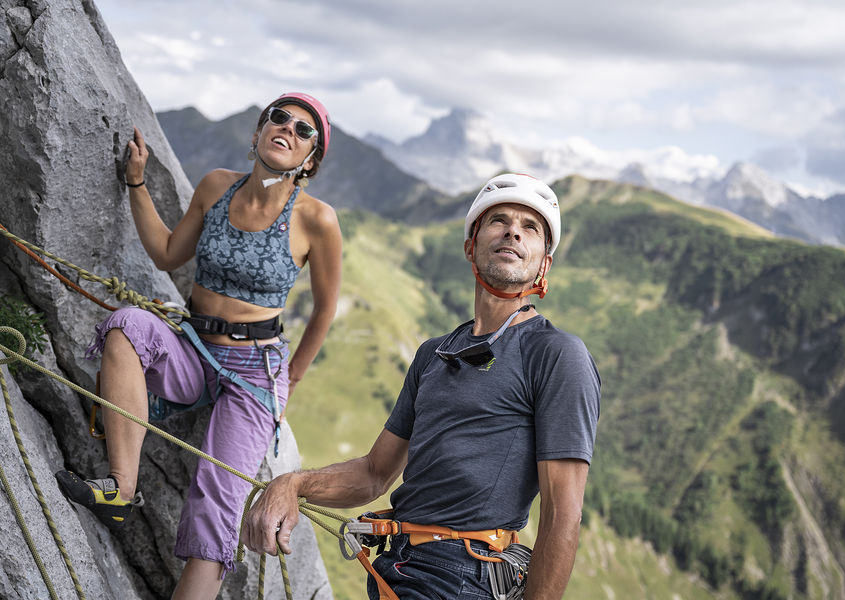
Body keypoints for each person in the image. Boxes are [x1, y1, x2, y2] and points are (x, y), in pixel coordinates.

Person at [241, 173, 601, 600]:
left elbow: (563, 514)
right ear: (471, 244)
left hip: (468, 575)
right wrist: (292, 484)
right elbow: (375, 473)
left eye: (531, 228)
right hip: (396, 567)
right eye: (499, 220)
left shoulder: (556, 354)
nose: (513, 232)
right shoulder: (435, 353)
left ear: (544, 262)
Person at [54, 92, 343, 599]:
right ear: (257, 133)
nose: (288, 130)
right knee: (126, 326)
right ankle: (120, 489)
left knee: (215, 503)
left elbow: (323, 310)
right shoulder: (215, 186)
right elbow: (168, 253)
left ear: (310, 160)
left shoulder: (317, 220)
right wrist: (136, 183)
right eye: (279, 119)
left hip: (256, 368)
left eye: (304, 131)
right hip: (194, 346)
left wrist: (289, 379)